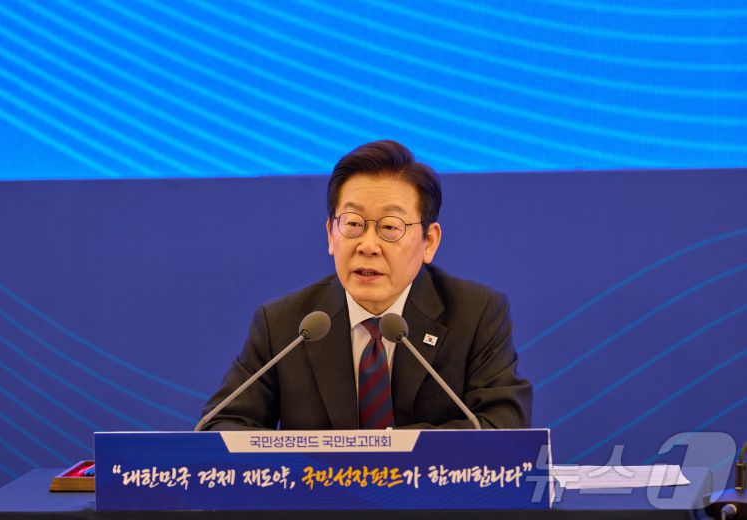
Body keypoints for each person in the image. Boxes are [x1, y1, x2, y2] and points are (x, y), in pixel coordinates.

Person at [199, 140, 532, 430]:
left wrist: (383, 452)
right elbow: (219, 426)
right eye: (353, 224)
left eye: (390, 227)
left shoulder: (475, 316)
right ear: (331, 235)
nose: (368, 245)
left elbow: (503, 428)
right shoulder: (285, 325)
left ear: (429, 241)